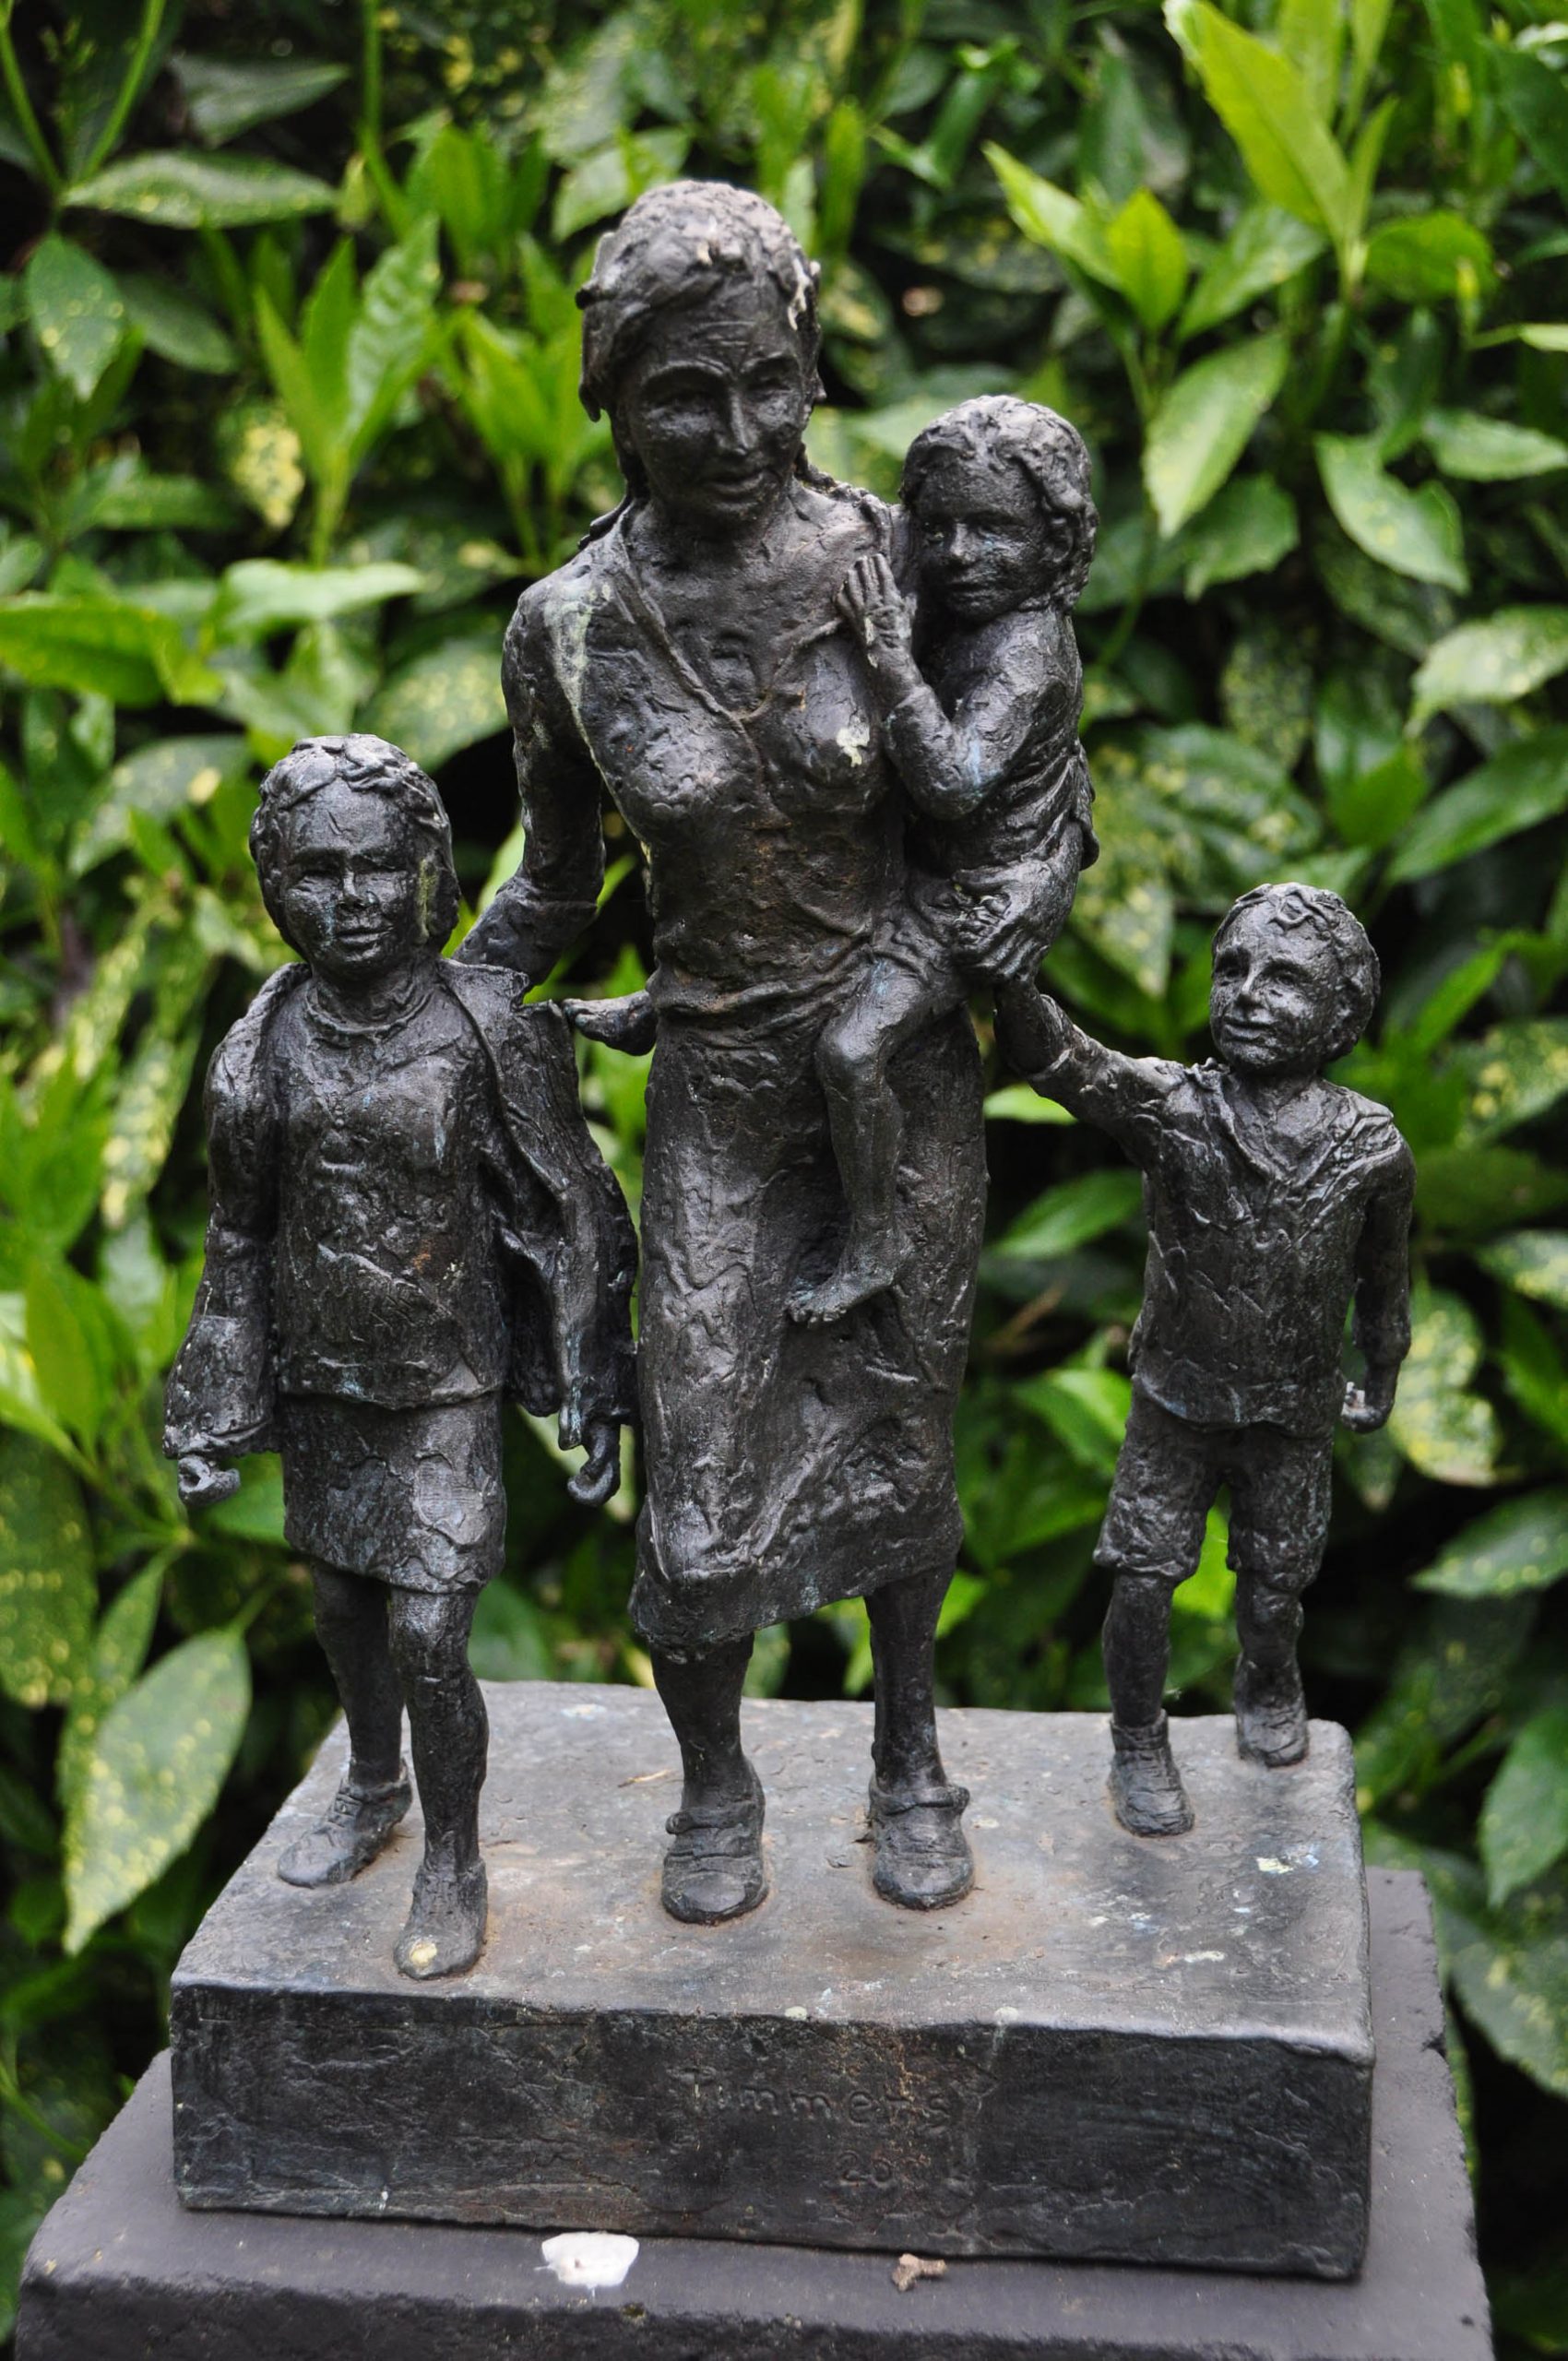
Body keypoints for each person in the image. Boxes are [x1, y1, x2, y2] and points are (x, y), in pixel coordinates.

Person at [462, 183, 995, 1925]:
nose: (744, 431)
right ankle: (715, 1783)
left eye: (773, 382)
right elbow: (553, 887)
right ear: (614, 401)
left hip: (897, 1070)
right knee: (697, 1451)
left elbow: (1008, 808)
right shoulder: (568, 629)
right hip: (720, 1091)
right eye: (688, 396)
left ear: (812, 367)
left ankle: (911, 1755)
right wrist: (422, 1003)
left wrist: (937, 974)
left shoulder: (899, 560)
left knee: (904, 1426)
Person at [165, 733, 635, 1977]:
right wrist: (209, 1412)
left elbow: (570, 1204)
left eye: (378, 866)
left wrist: (596, 1375)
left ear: (427, 869)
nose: (354, 898)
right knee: (340, 1607)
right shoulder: (260, 1047)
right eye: (318, 873)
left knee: (430, 1632)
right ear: (276, 886)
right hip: (324, 1375)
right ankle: (373, 1784)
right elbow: (238, 1236)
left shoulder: (482, 1027)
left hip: (445, 1379)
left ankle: (454, 1856)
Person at [995, 883, 1413, 1838]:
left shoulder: (1371, 1150)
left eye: (1284, 979)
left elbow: (1383, 1278)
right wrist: (1010, 980)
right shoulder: (1174, 1106)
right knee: (1142, 1578)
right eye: (1232, 969)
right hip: (1174, 1404)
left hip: (1293, 1413)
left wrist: (1383, 1370)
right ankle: (1138, 1740)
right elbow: (1064, 1063)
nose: (1247, 994)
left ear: (1341, 1014)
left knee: (1275, 1585)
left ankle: (1267, 1679)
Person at [790, 394, 1099, 1325]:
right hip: (914, 863)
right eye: (941, 526)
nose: (958, 553)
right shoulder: (958, 592)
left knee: (849, 1051)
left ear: (1054, 542)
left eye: (993, 530)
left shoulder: (1027, 651)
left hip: (966, 897)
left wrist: (887, 652)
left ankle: (873, 1240)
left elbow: (954, 782)